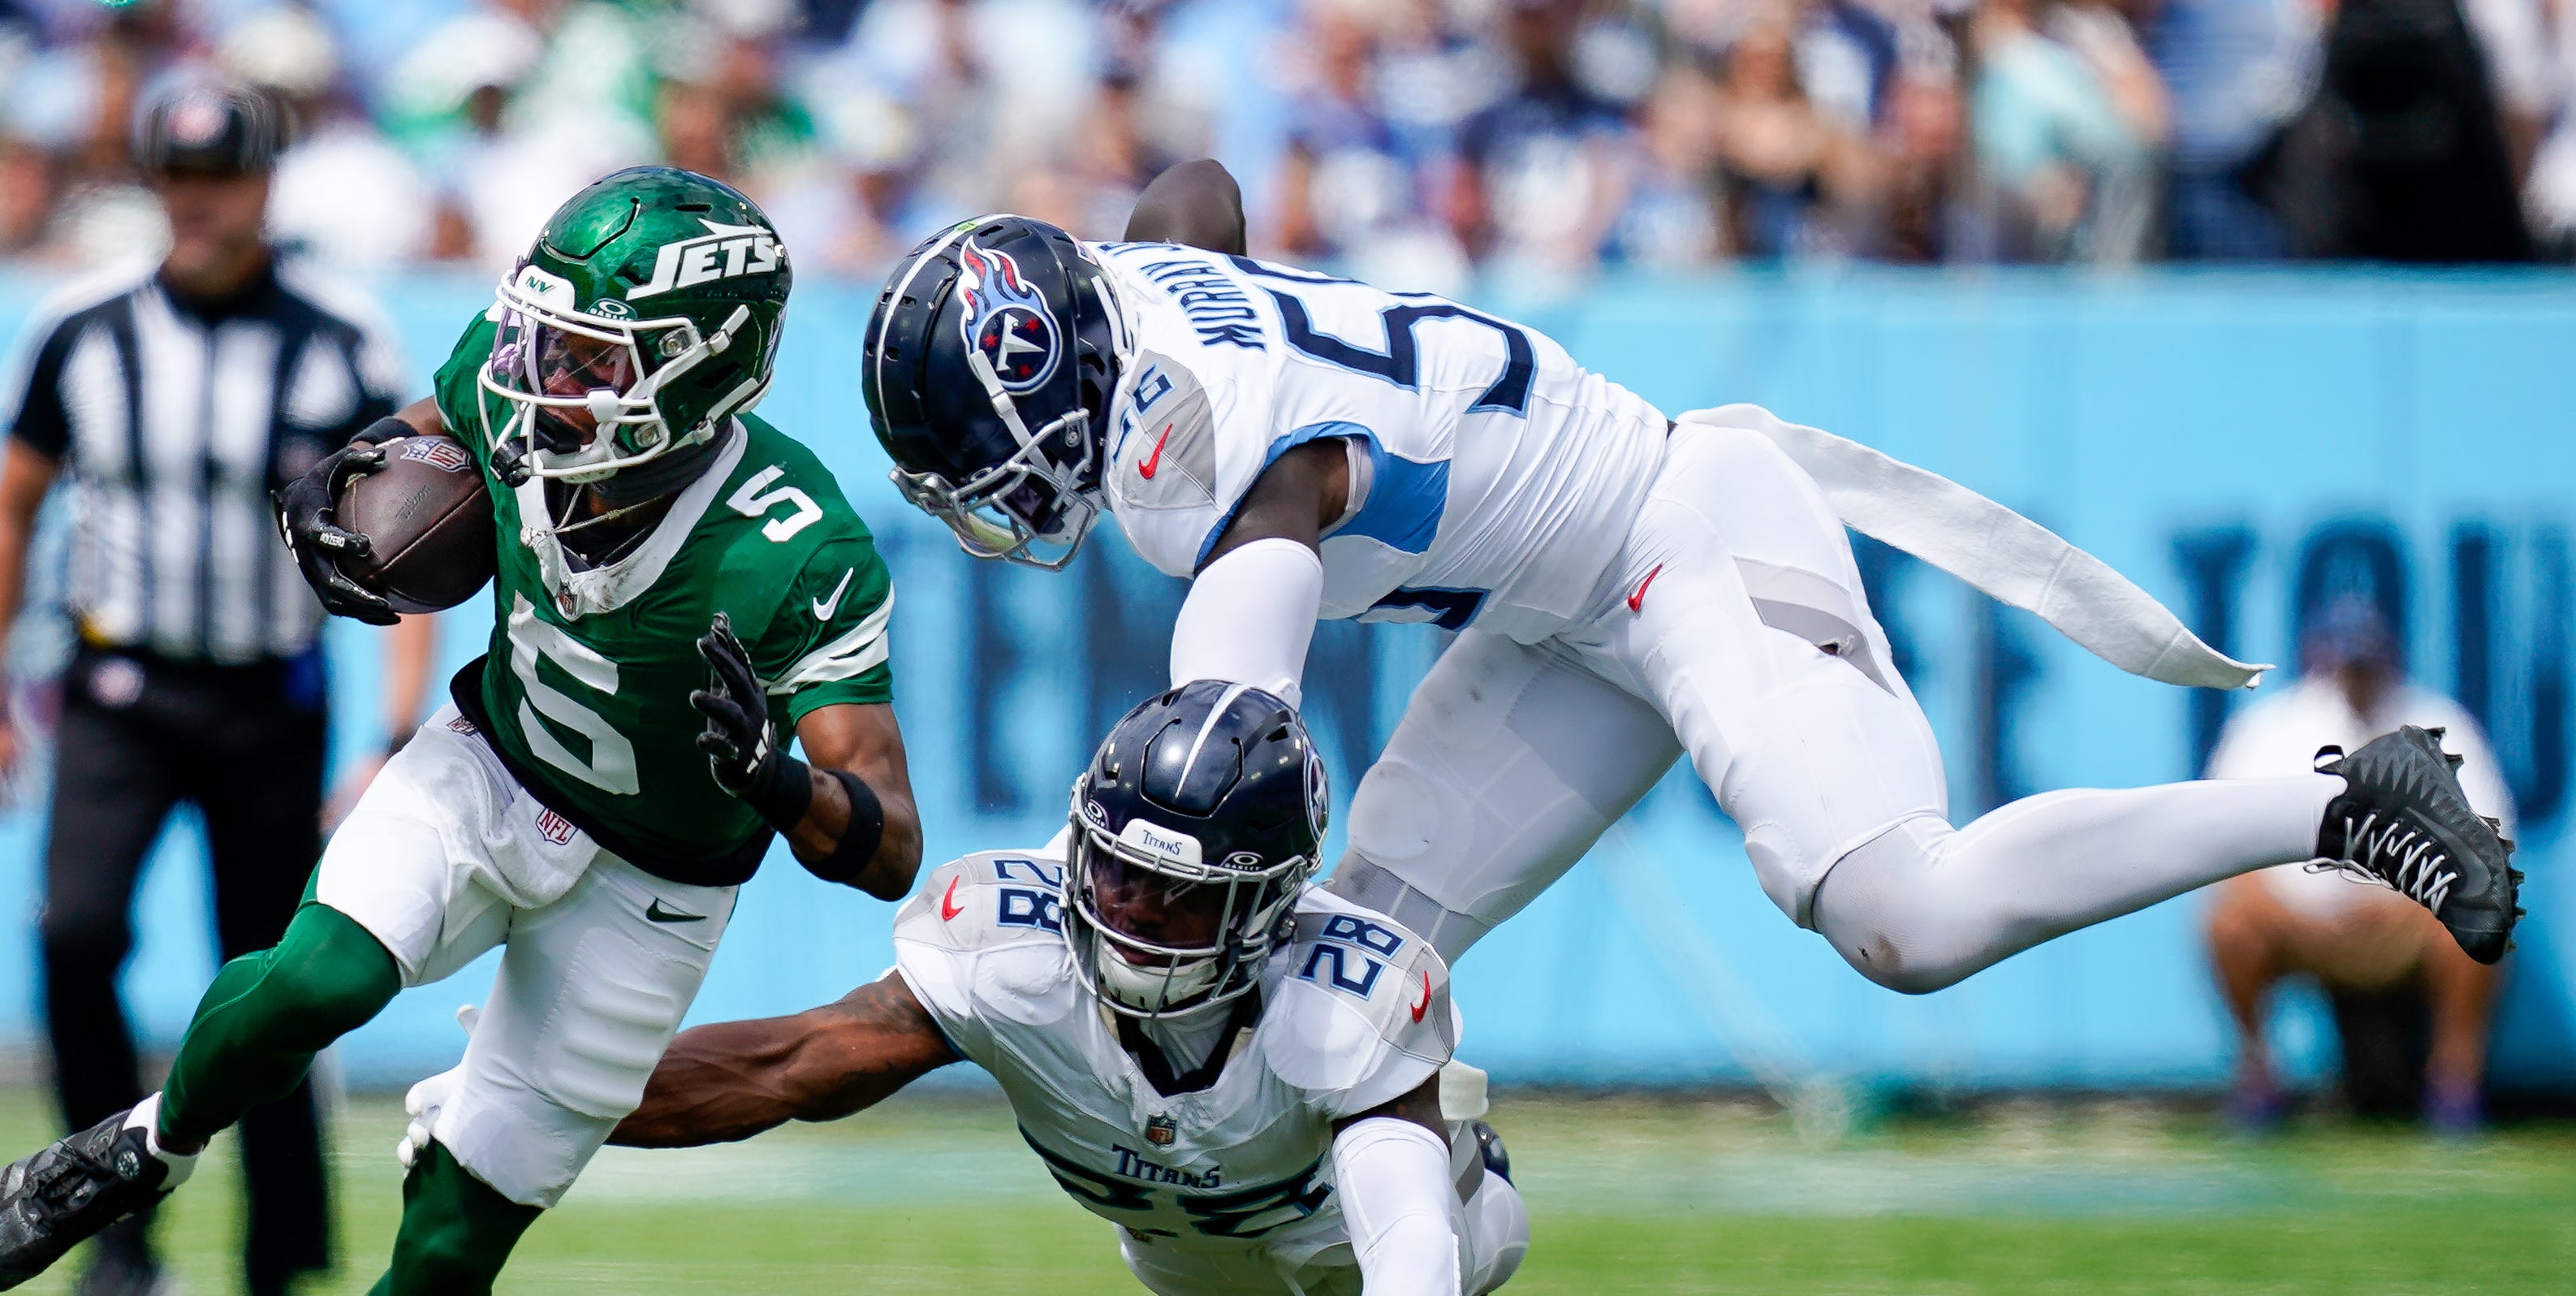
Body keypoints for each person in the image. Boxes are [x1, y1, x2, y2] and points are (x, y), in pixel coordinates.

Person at [858, 165, 2521, 1022]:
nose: (998, 508)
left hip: (1678, 536)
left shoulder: (1211, 473)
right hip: (1559, 610)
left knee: (1904, 916)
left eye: (992, 466)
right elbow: (1194, 200)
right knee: (1342, 976)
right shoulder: (1141, 289)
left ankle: (2329, 808)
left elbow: (1234, 756)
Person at [0, 166, 925, 1296]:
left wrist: (786, 784)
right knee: (322, 977)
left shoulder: (796, 543)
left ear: (702, 370)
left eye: (595, 358)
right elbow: (439, 419)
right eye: (545, 337)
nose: (545, 379)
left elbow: (891, 838)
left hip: (656, 885)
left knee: (462, 1236)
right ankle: (145, 1149)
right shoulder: (520, 378)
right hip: (488, 764)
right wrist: (351, 472)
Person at [542, 682, 1537, 1296]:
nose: (1133, 910)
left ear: (1265, 904)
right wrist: (541, 1093)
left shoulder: (1341, 1001)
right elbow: (786, 1064)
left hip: (1355, 1243)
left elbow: (1407, 1223)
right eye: (1116, 871)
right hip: (1188, 1252)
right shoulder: (1014, 952)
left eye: (1177, 894)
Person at [0, 82, 426, 1296]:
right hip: (119, 689)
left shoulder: (337, 337)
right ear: (153, 182)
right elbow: (8, 508)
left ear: (267, 182)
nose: (199, 197)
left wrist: (390, 733)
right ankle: (113, 1247)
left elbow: (413, 531)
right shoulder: (84, 329)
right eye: (178, 174)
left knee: (268, 992)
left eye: (220, 174)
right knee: (75, 934)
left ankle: (272, 1282)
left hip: (268, 697)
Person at [2204, 598, 2513, 1130]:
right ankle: (2258, 1075)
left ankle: (2454, 1085)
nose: (2356, 677)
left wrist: (2409, 901)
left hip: (2408, 923)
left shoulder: (2437, 723)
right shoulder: (2273, 728)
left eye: (2367, 663)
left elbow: (2488, 843)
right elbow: (2224, 848)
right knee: (2231, 920)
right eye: (2346, 664)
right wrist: (2297, 912)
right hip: (2302, 925)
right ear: (2320, 662)